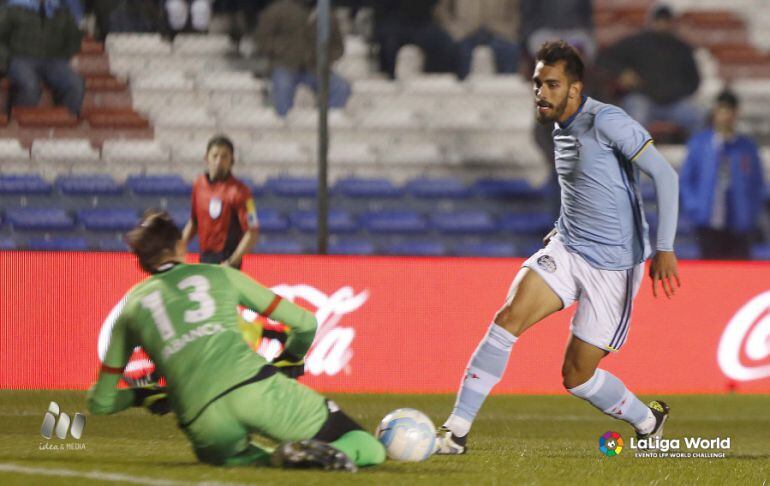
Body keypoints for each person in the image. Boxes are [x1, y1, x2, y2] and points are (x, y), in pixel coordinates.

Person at [435, 41, 681, 454]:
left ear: (575, 88)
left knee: (577, 377)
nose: (541, 93)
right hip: (568, 249)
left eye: (551, 84)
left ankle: (646, 419)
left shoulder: (608, 121)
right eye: (537, 83)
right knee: (506, 318)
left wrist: (665, 248)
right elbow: (582, 189)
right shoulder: (557, 127)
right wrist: (560, 226)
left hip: (614, 266)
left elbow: (666, 177)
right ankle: (455, 431)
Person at [88, 210, 386, 470]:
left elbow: (100, 402)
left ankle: (288, 459)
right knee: (365, 445)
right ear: (180, 245)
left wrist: (142, 395)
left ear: (141, 259)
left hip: (202, 421)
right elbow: (306, 323)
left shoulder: (129, 311)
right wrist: (290, 358)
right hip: (253, 389)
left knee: (262, 463)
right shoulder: (219, 275)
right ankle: (325, 454)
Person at [680, 90, 766, 260]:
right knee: (710, 272)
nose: (725, 116)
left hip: (739, 222)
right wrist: (695, 208)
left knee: (740, 274)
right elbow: (686, 180)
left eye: (729, 111)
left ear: (736, 113)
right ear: (715, 112)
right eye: (721, 110)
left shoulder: (746, 147)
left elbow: (757, 182)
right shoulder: (701, 143)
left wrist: (751, 213)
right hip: (708, 220)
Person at [596, 4, 702, 136]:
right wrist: (622, 72)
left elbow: (694, 80)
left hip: (674, 104)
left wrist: (677, 93)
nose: (663, 24)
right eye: (659, 20)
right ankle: (634, 155)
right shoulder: (636, 42)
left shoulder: (682, 48)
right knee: (636, 115)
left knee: (697, 116)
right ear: (652, 21)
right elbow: (604, 58)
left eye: (666, 20)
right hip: (644, 98)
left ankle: (698, 154)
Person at [256, 0, 350, 117]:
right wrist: (282, 50)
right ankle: (284, 123)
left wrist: (325, 58)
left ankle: (325, 121)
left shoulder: (326, 13)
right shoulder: (278, 10)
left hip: (314, 69)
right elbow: (261, 40)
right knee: (283, 86)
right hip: (285, 66)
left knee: (340, 87)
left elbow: (338, 47)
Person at [182, 135, 259, 269]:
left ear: (232, 160)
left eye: (224, 156)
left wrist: (232, 261)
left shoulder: (241, 192)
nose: (219, 161)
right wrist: (179, 247)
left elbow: (252, 232)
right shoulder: (199, 185)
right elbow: (194, 222)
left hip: (228, 262)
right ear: (206, 158)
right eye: (215, 156)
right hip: (204, 258)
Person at [0, 0, 85, 115]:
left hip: (54, 61)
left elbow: (74, 38)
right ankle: (17, 123)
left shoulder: (61, 11)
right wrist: (6, 59)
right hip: (19, 58)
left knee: (75, 84)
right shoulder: (12, 9)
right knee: (29, 86)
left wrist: (64, 56)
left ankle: (63, 123)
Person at [434, 0, 520, 79]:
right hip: (464, 32)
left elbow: (518, 12)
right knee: (457, 51)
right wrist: (454, 30)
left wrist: (508, 30)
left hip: (499, 32)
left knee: (511, 51)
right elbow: (442, 11)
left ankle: (505, 92)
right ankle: (463, 91)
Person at [372, 0, 457, 79]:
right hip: (393, 22)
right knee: (390, 43)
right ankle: (391, 83)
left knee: (446, 44)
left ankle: (439, 86)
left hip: (423, 22)